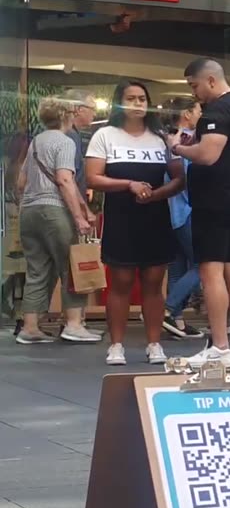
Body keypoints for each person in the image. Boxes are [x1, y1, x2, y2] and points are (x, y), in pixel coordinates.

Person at [86, 81, 185, 366]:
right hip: (121, 217)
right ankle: (116, 344)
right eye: (131, 98)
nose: (138, 103)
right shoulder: (105, 135)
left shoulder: (160, 138)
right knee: (121, 281)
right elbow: (93, 178)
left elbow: (180, 178)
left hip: (154, 215)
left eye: (142, 98)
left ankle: (154, 344)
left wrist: (157, 195)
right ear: (120, 102)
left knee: (154, 283)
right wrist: (128, 184)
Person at [169, 57, 230, 368]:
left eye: (194, 86)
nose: (195, 94)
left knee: (210, 271)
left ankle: (220, 346)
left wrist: (178, 148)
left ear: (209, 80)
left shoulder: (216, 111)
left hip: (214, 200)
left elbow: (207, 154)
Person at [14, 97, 98, 345]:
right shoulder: (65, 142)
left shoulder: (36, 142)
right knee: (71, 267)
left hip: (29, 211)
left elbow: (21, 182)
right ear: (68, 115)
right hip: (55, 212)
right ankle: (73, 324)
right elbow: (64, 180)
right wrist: (79, 216)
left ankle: (30, 327)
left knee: (37, 270)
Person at [161, 96, 205, 340]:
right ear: (187, 114)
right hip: (187, 210)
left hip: (170, 211)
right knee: (203, 263)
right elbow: (188, 178)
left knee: (177, 267)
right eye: (198, 110)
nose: (201, 114)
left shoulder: (166, 138)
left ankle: (175, 320)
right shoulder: (186, 140)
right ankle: (167, 309)